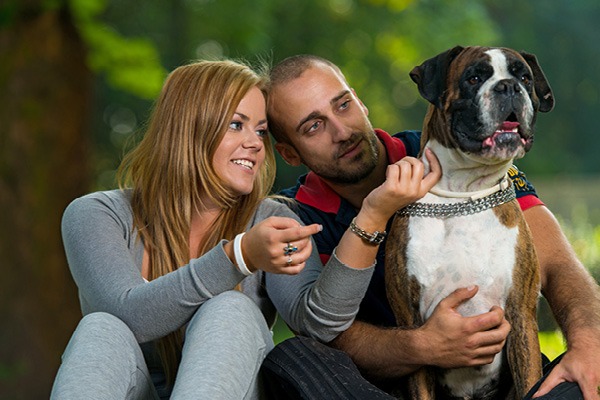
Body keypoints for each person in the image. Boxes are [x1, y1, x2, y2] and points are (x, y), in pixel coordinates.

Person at [50, 59, 439, 400]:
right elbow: (129, 315)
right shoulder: (97, 214)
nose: (254, 144)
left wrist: (370, 216)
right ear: (188, 128)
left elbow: (319, 324)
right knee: (101, 328)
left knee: (231, 308)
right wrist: (237, 257)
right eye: (237, 125)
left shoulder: (269, 216)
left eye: (261, 130)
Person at [263, 55, 600, 399]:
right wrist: (424, 346)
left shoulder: (454, 150)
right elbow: (328, 334)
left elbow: (558, 264)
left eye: (343, 105)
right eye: (313, 127)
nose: (342, 131)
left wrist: (589, 346)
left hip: (508, 382)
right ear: (289, 153)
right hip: (388, 391)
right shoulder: (293, 217)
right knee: (295, 358)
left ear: (361, 103)